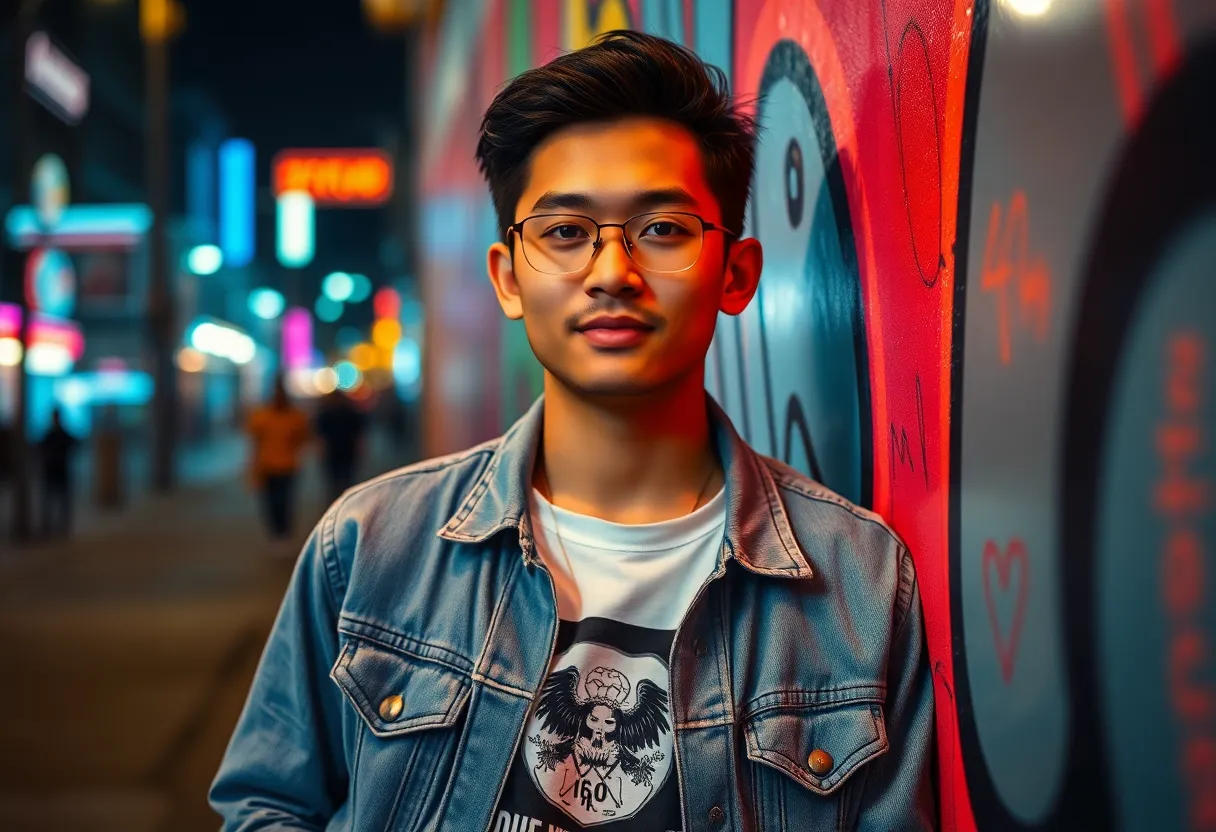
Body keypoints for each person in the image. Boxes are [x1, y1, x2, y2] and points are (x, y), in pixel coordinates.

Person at [212, 31, 934, 830]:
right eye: (564, 233)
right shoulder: (372, 548)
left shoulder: (859, 586)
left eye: (662, 229)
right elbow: (267, 805)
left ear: (736, 274)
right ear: (508, 278)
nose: (612, 272)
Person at [246, 375, 310, 554]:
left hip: (287, 466)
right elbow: (255, 443)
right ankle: (277, 534)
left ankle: (283, 534)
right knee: (272, 502)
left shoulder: (293, 416)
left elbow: (302, 438)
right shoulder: (263, 416)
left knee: (285, 501)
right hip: (269, 466)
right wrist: (253, 467)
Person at [314, 390, 367, 503]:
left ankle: (336, 501)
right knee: (347, 477)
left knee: (334, 478)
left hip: (333, 450)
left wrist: (321, 450)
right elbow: (358, 434)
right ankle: (347, 500)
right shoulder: (350, 411)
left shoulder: (325, 412)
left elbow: (320, 436)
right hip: (347, 449)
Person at [38, 408, 78, 539]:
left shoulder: (54, 435)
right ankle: (52, 526)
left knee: (59, 501)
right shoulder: (53, 435)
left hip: (58, 471)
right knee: (53, 501)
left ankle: (58, 527)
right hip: (54, 472)